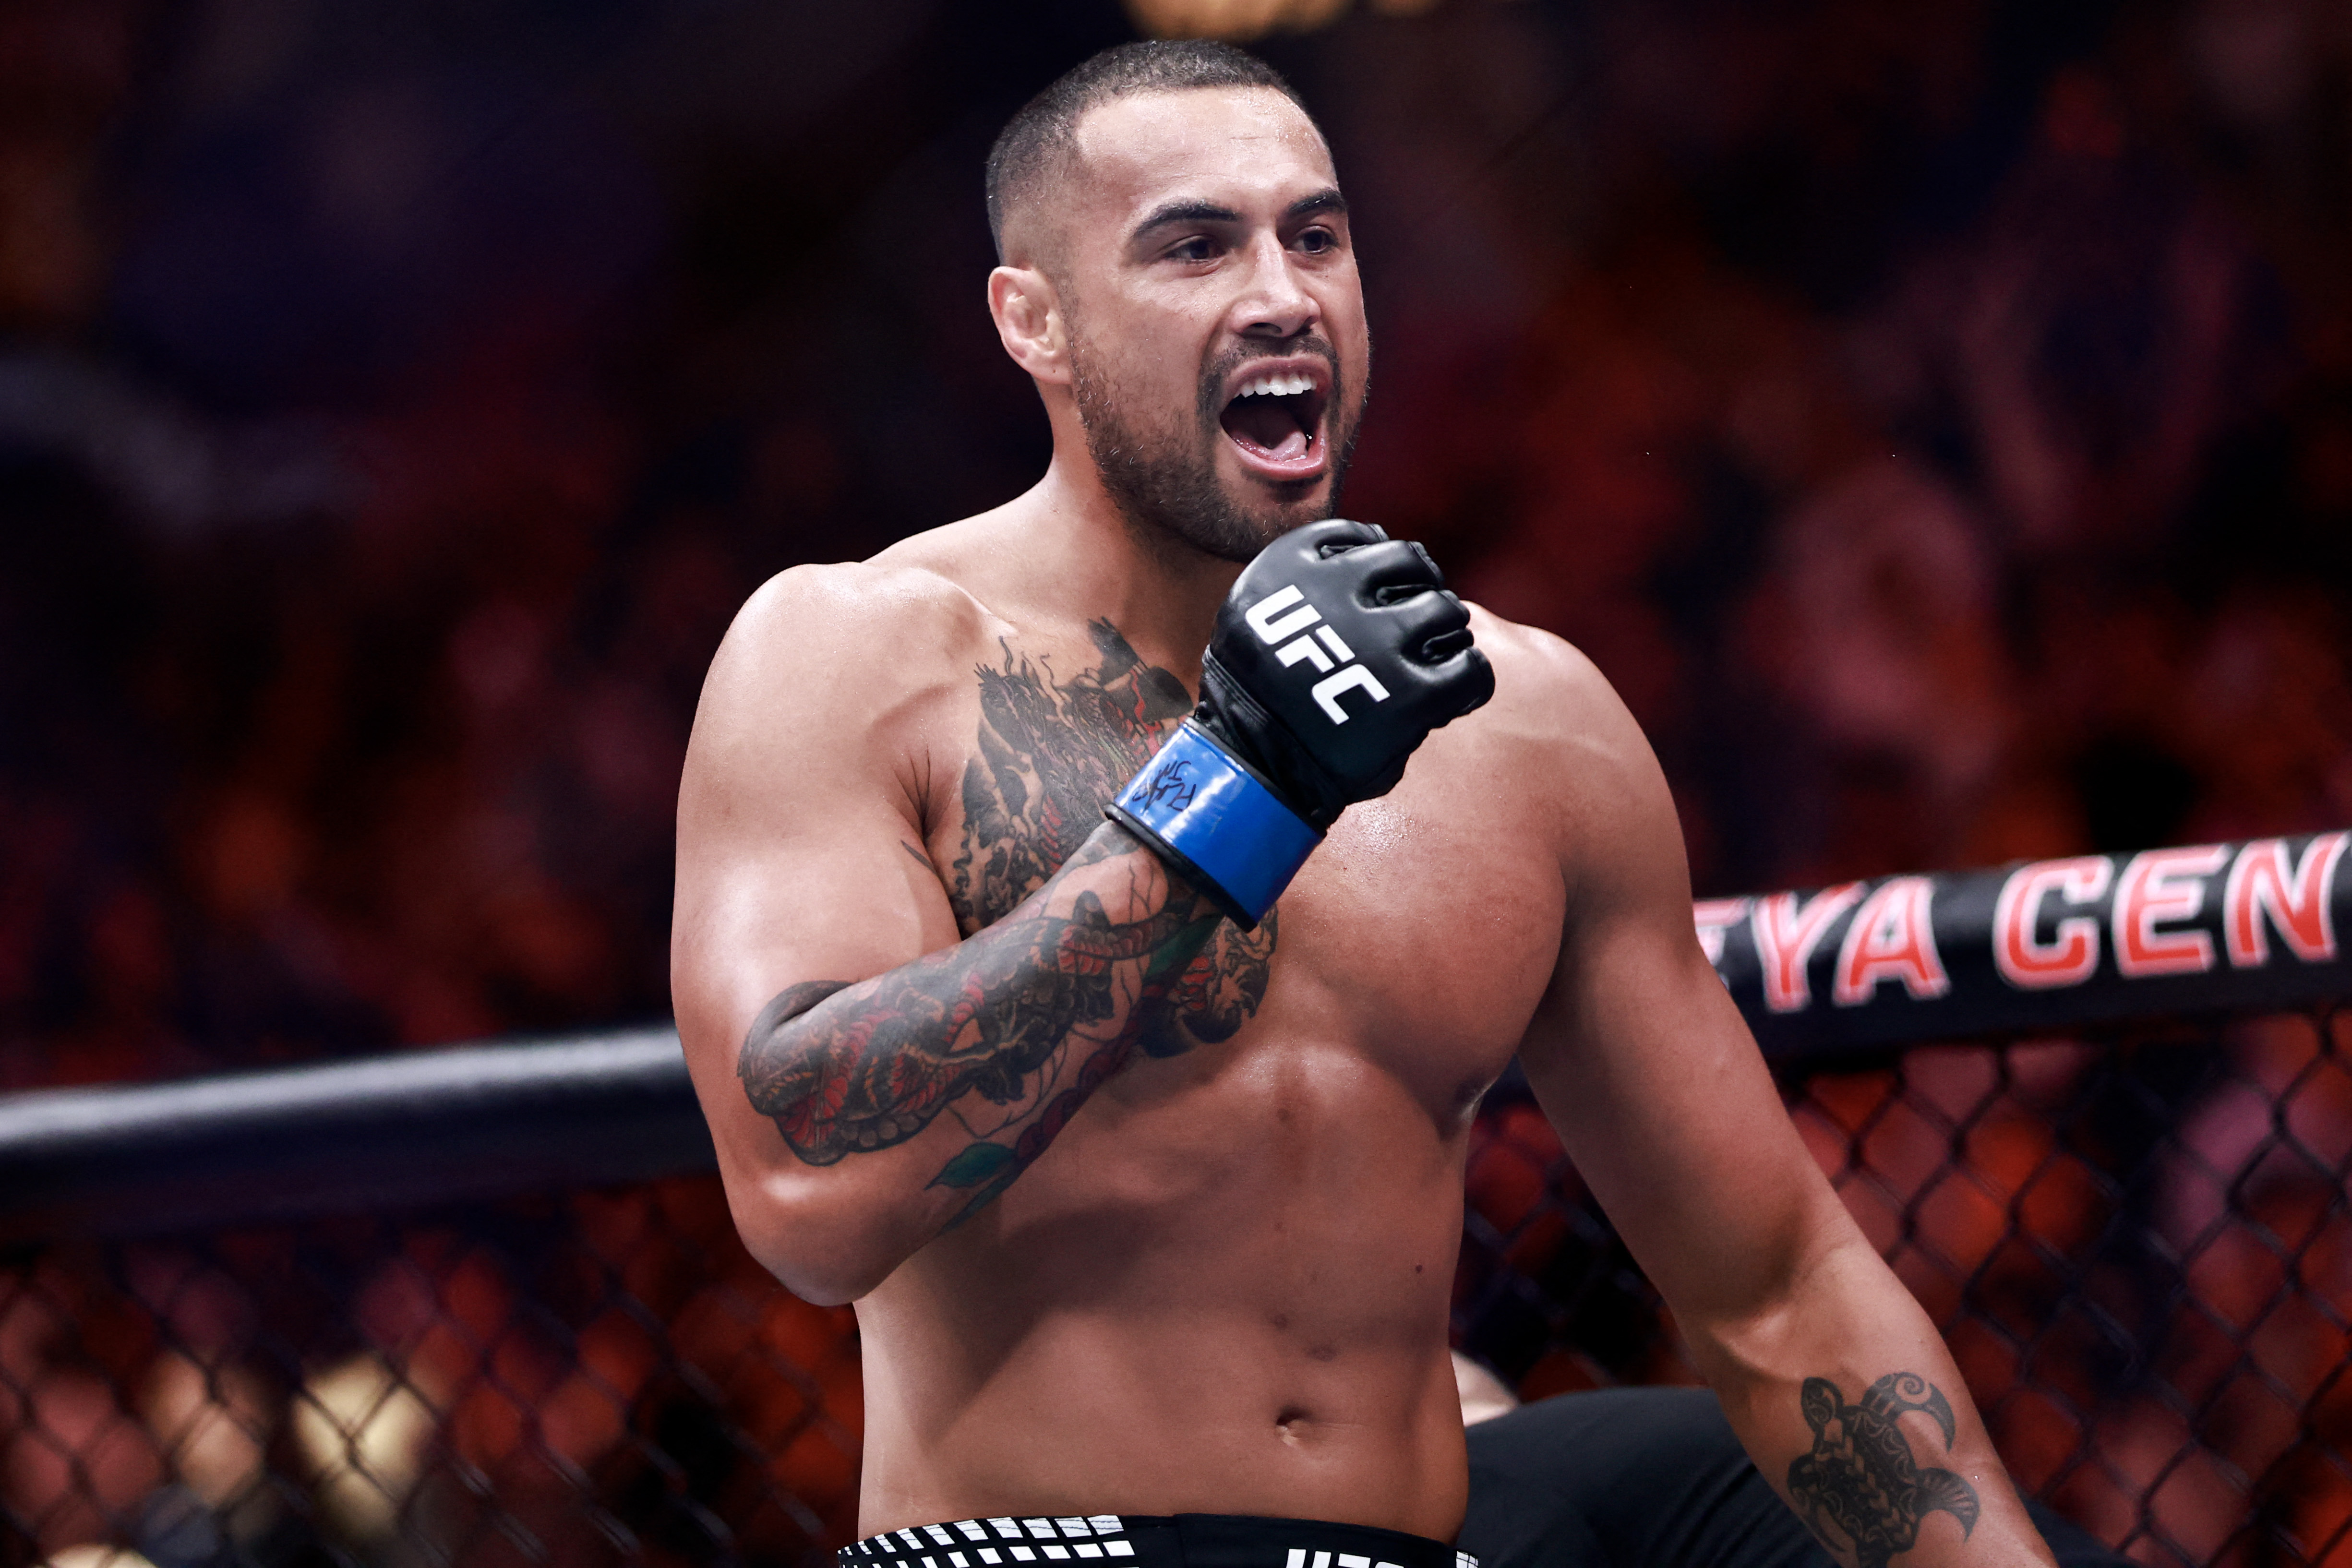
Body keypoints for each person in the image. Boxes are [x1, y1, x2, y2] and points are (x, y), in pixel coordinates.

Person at [671, 39, 2090, 1568]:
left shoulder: (1530, 721)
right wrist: (1243, 787)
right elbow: (811, 1191)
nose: (1280, 291)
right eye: (1195, 244)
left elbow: (1773, 1282)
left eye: (1317, 235)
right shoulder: (858, 654)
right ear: (1039, 322)